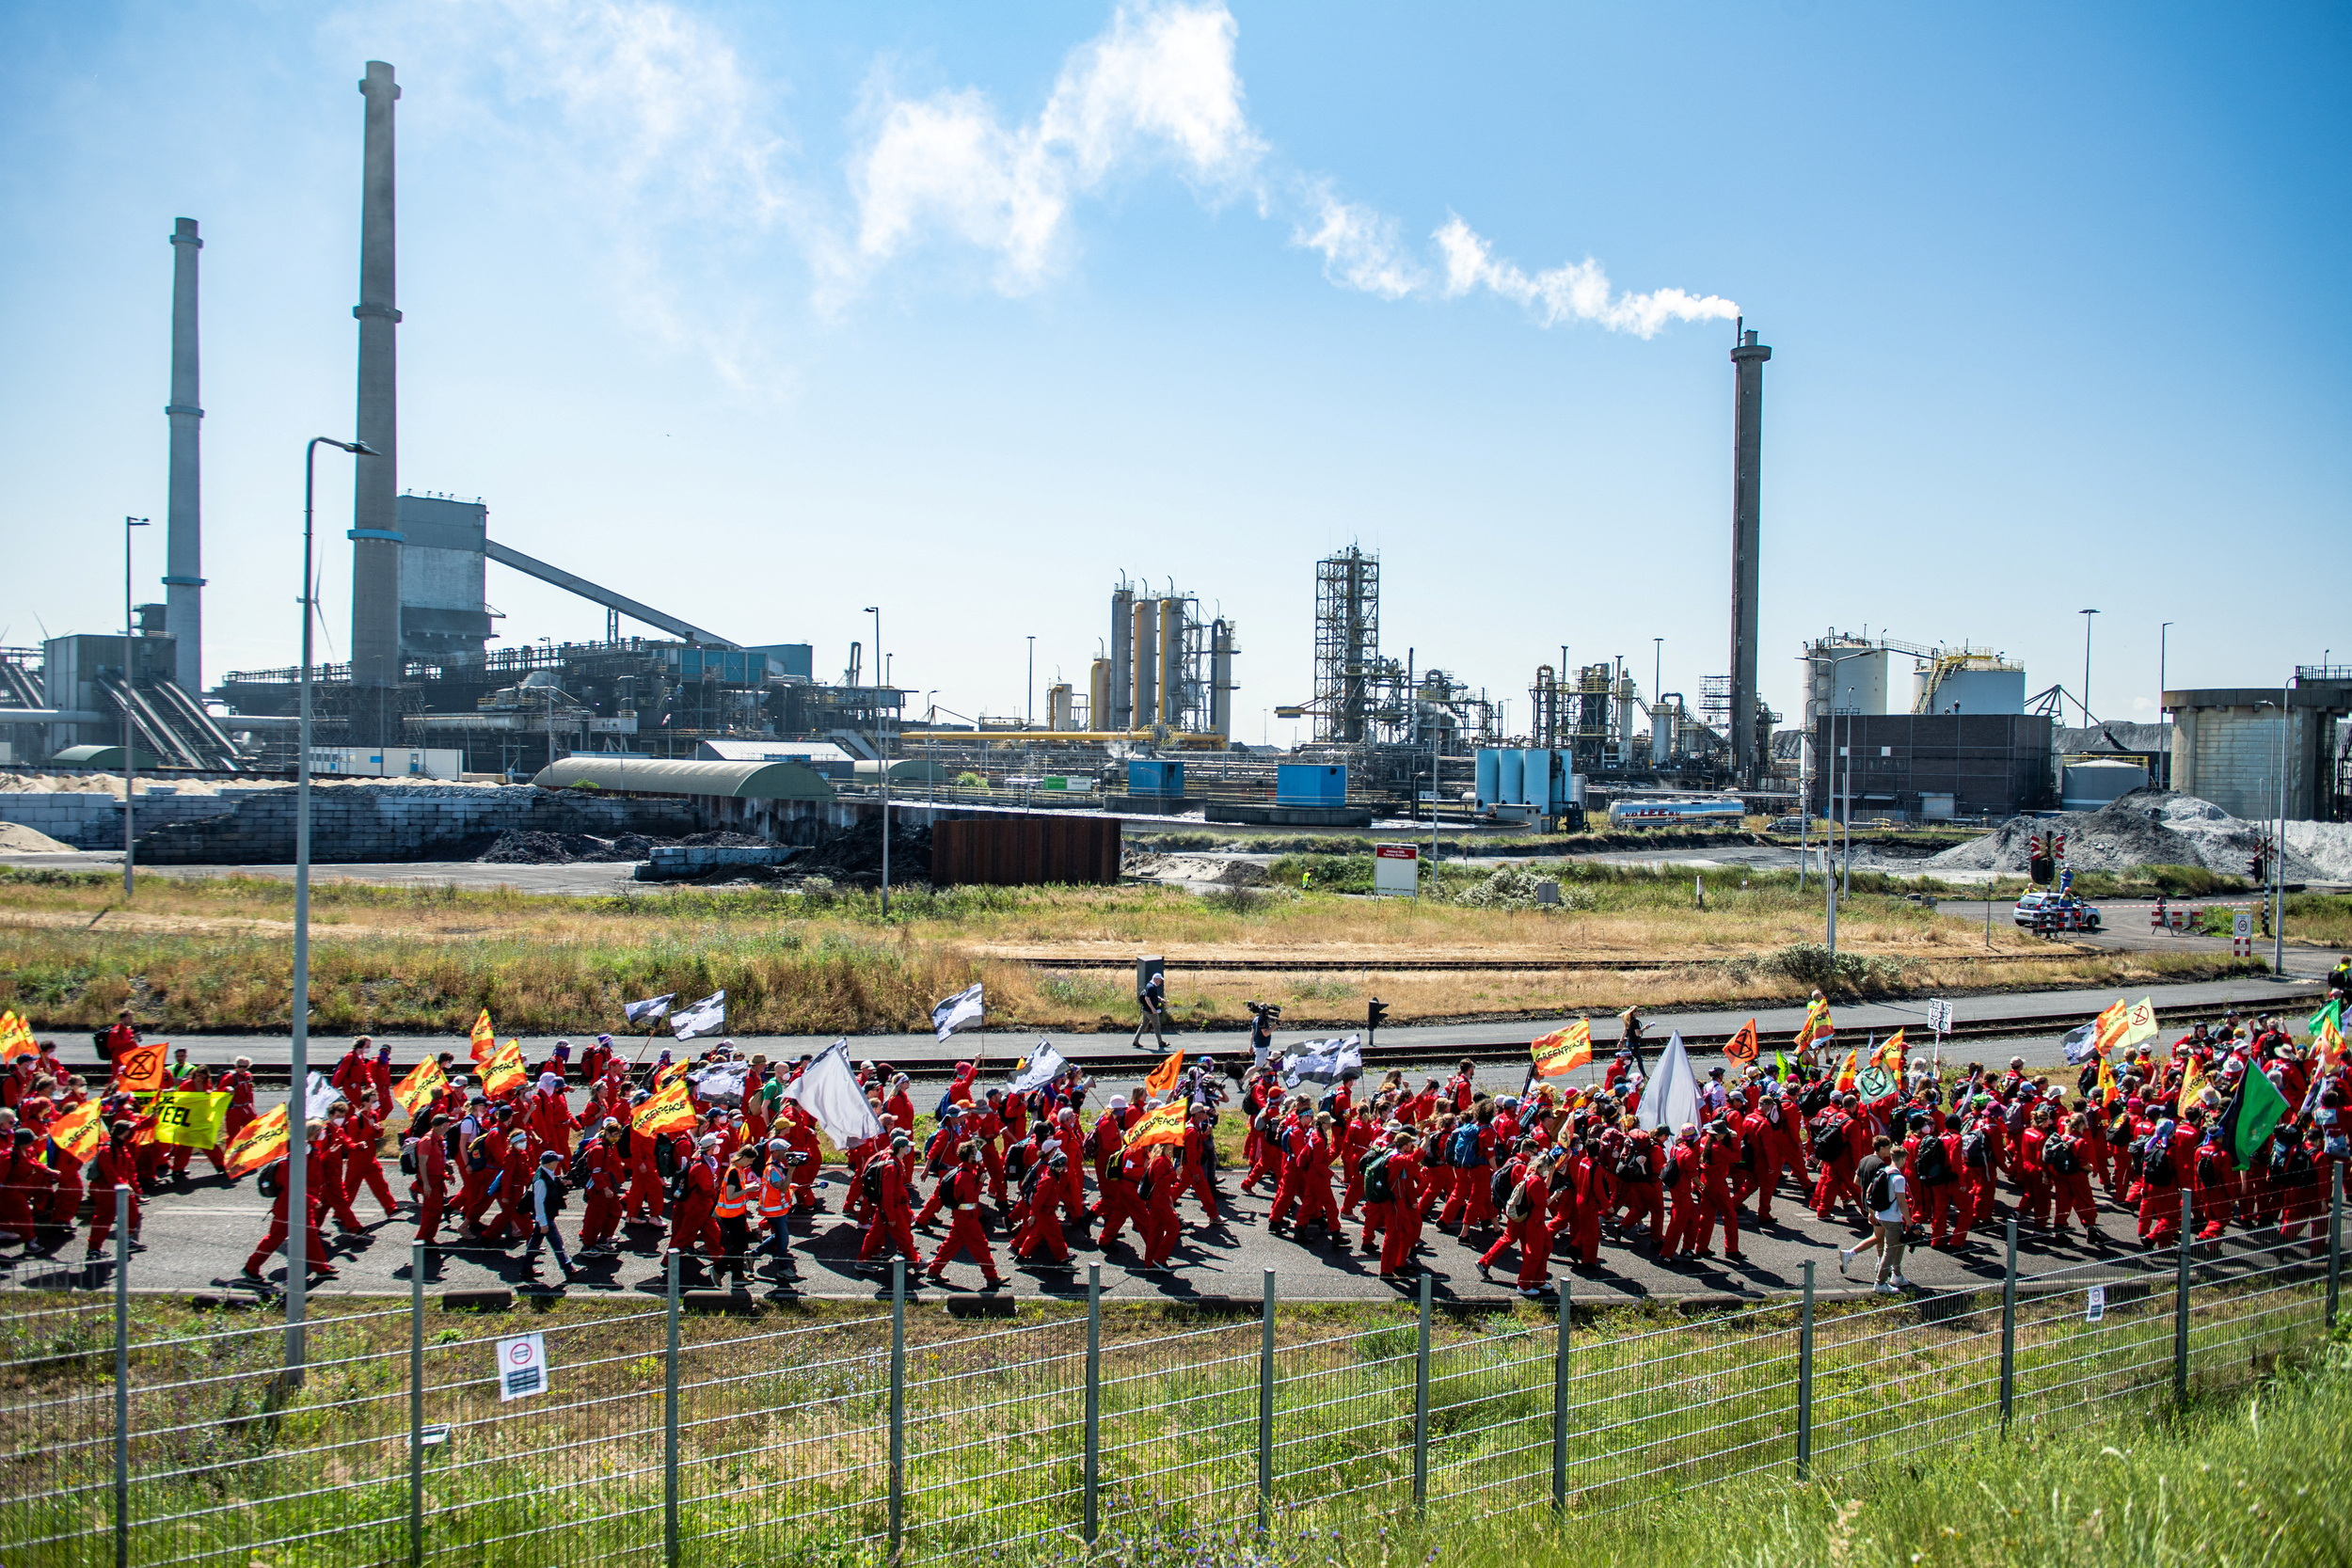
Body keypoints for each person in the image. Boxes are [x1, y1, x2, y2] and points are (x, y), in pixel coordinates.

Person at [523, 1149, 576, 1283]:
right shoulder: (541, 1180)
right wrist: (543, 1222)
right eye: (556, 1161)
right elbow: (538, 1202)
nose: (558, 1163)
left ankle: (526, 1269)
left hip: (546, 1216)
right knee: (557, 1243)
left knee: (534, 1243)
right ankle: (568, 1269)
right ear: (550, 1163)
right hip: (545, 1217)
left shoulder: (547, 1174)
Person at [1865, 1138, 1909, 1292]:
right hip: (1893, 1218)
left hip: (1880, 1215)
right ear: (1902, 1159)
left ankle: (1897, 1275)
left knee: (1899, 1245)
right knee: (1889, 1251)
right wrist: (1910, 1222)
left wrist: (1872, 1213)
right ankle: (1880, 1283)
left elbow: (1869, 1191)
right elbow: (1902, 1203)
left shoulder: (1882, 1171)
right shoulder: (1898, 1178)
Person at [1132, 969, 1169, 1050]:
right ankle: (1161, 1042)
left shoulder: (1150, 985)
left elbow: (1152, 996)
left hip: (1145, 1010)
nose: (1160, 982)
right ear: (1155, 979)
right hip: (1150, 1011)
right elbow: (1147, 998)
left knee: (1143, 1025)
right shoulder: (1151, 987)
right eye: (1160, 980)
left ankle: (1136, 1040)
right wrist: (1153, 1009)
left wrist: (1160, 999)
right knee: (1157, 1025)